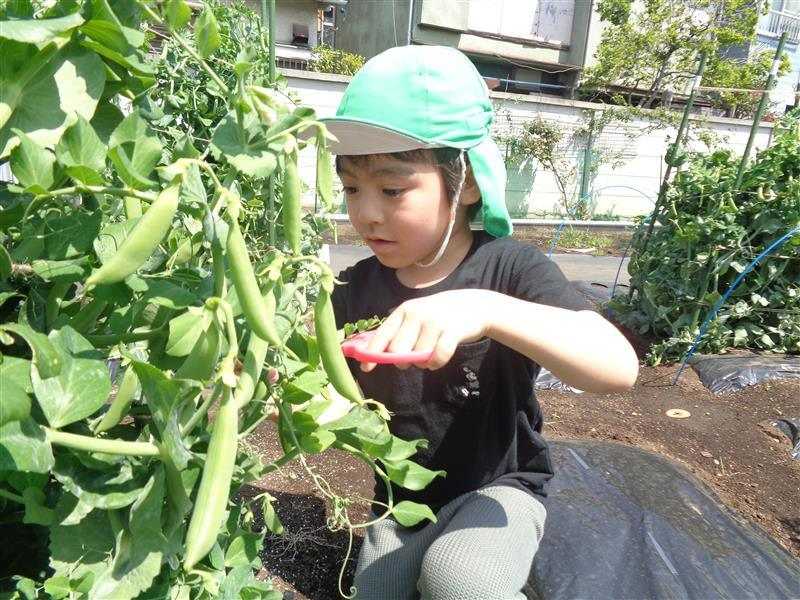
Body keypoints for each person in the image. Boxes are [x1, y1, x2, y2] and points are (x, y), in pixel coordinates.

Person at [321, 45, 639, 600]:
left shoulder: (510, 267)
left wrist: (485, 310)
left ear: (464, 183)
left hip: (499, 489)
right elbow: (316, 373)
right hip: (401, 500)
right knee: (378, 593)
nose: (366, 212)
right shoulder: (355, 287)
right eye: (352, 188)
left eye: (392, 189)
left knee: (459, 580)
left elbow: (616, 368)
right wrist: (311, 395)